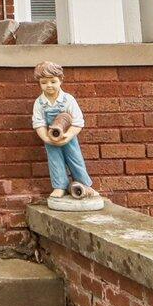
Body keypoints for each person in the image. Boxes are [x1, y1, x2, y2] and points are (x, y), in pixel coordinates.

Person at [30, 62, 97, 202]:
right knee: (55, 160)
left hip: (68, 136)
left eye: (53, 81)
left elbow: (78, 121)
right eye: (44, 82)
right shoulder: (39, 103)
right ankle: (60, 186)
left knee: (75, 158)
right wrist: (46, 138)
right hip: (50, 137)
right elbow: (39, 122)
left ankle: (84, 183)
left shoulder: (68, 100)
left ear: (61, 80)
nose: (49, 85)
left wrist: (69, 135)